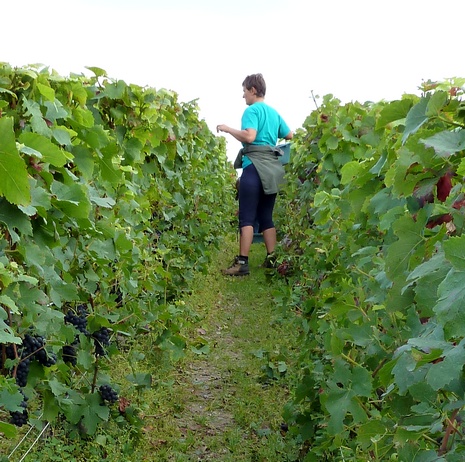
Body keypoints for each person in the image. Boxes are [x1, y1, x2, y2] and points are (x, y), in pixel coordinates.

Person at [217, 73, 293, 276]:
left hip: (254, 167)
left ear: (253, 90)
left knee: (247, 217)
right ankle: (272, 258)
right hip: (272, 169)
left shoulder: (251, 111)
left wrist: (228, 129)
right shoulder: (273, 113)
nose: (243, 96)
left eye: (244, 91)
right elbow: (290, 135)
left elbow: (249, 136)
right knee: (266, 216)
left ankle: (242, 263)